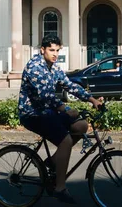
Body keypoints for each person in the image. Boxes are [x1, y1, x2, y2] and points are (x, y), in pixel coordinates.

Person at [19, 35, 104, 204]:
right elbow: (45, 95)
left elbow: (69, 85)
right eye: (51, 50)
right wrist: (65, 108)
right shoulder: (34, 67)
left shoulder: (54, 67)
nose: (55, 54)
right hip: (32, 113)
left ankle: (53, 161)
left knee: (81, 126)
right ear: (42, 49)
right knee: (65, 141)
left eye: (58, 50)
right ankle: (60, 188)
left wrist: (91, 99)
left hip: (48, 112)